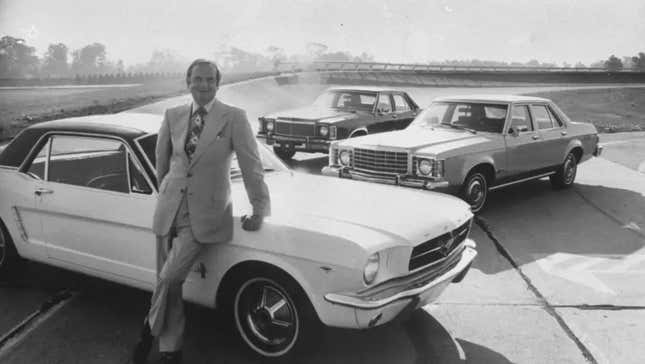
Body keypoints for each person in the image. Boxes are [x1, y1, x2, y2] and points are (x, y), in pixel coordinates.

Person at [132, 59, 271, 364]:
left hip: (205, 216)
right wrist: (167, 196)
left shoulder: (233, 117)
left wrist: (259, 207)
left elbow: (251, 165)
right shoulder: (173, 115)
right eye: (198, 79)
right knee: (169, 284)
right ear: (188, 82)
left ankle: (146, 335)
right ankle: (171, 352)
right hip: (169, 210)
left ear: (217, 84)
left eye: (210, 80)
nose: (204, 85)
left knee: (168, 279)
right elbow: (162, 163)